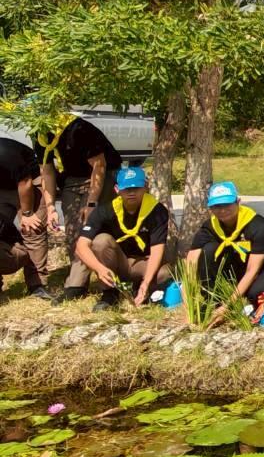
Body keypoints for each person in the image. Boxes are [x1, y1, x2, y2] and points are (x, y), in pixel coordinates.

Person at [33, 114, 122, 302]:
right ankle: (78, 284)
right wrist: (50, 208)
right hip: (73, 178)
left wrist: (91, 203)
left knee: (90, 228)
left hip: (103, 174)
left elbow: (99, 165)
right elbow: (47, 172)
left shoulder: (79, 129)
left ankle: (103, 286)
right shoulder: (40, 134)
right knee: (73, 231)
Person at [75, 167, 171, 311]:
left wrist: (146, 282)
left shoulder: (157, 211)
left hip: (142, 262)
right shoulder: (105, 211)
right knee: (101, 241)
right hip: (118, 262)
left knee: (165, 273)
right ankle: (109, 293)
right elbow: (81, 245)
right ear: (117, 189)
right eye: (126, 189)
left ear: (145, 187)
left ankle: (141, 288)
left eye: (136, 188)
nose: (131, 193)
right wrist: (99, 269)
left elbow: (157, 249)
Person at [185, 181, 264, 322]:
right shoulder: (209, 227)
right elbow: (190, 264)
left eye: (227, 204)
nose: (222, 210)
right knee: (208, 250)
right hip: (234, 266)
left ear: (238, 202)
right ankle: (213, 300)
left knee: (256, 293)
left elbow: (252, 270)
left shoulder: (258, 225)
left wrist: (227, 307)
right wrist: (187, 307)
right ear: (210, 207)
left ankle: (260, 300)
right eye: (217, 206)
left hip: (262, 268)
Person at [0, 137, 52, 299]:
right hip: (3, 187)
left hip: (29, 182)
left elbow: (25, 182)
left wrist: (27, 213)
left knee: (33, 229)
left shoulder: (5, 153)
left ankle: (37, 284)